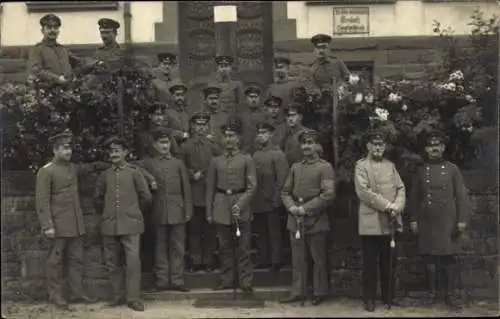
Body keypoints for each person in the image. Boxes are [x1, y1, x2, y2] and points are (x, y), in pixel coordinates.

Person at [35, 130, 109, 309]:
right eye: (64, 148)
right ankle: (55, 296)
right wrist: (48, 226)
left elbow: (91, 167)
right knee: (55, 262)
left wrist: (109, 164)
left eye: (70, 149)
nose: (68, 152)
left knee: (76, 260)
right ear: (55, 150)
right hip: (58, 225)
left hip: (75, 225)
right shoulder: (45, 172)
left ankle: (77, 294)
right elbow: (42, 202)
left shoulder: (73, 168)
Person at [408, 130, 469, 311]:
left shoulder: (452, 169)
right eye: (431, 146)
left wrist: (461, 220)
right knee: (429, 257)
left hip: (447, 220)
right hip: (427, 220)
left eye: (437, 145)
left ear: (442, 148)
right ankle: (432, 293)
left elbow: (461, 196)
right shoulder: (421, 171)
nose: (434, 148)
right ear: (426, 149)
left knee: (449, 257)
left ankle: (450, 295)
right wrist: (413, 220)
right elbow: (414, 198)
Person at [93, 136, 152, 312]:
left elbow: (146, 197)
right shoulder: (105, 175)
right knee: (112, 262)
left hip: (131, 224)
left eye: (117, 150)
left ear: (126, 152)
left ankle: (133, 298)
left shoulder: (135, 173)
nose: (114, 154)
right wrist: (107, 213)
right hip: (110, 224)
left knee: (133, 261)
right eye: (111, 151)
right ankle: (117, 295)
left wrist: (133, 211)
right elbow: (97, 199)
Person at [280, 129, 335, 306]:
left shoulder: (325, 167)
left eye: (310, 143)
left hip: (316, 218)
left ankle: (320, 291)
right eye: (304, 143)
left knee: (318, 258)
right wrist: (292, 207)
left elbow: (328, 194)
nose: (306, 146)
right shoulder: (296, 167)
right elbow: (285, 191)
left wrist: (305, 209)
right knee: (298, 258)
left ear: (317, 145)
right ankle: (298, 291)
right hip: (295, 218)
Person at [135, 127, 192, 292]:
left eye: (167, 142)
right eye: (161, 143)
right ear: (154, 145)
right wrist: (149, 177)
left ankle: (177, 280)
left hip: (178, 209)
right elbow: (132, 167)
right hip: (158, 209)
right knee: (160, 246)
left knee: (178, 246)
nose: (165, 146)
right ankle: (161, 281)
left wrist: (188, 210)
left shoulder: (178, 163)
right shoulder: (148, 162)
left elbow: (186, 188)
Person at [354, 130, 406, 312]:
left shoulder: (390, 166)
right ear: (368, 146)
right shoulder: (361, 166)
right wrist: (387, 206)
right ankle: (369, 298)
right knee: (369, 263)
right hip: (371, 223)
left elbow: (400, 188)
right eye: (374, 144)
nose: (377, 147)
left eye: (381, 144)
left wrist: (397, 207)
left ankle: (388, 296)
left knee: (389, 261)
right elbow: (364, 192)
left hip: (390, 221)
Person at [205, 117, 257, 292]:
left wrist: (241, 204)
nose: (228, 139)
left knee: (243, 247)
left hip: (240, 204)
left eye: (232, 135)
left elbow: (252, 186)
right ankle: (227, 280)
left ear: (238, 139)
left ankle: (246, 281)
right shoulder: (216, 161)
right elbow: (210, 188)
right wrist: (209, 212)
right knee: (225, 247)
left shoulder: (246, 159)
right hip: (220, 205)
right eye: (225, 136)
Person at [180, 111, 222, 273]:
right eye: (198, 124)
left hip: (211, 193)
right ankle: (196, 260)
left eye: (204, 125)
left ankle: (209, 259)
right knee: (194, 229)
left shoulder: (214, 146)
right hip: (195, 192)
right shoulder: (186, 146)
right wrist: (192, 174)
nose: (201, 128)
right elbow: (181, 167)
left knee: (210, 229)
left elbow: (223, 162)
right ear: (192, 126)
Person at [252, 121, 289, 272]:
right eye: (259, 133)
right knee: (261, 231)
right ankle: (263, 258)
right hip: (258, 200)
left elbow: (282, 179)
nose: (261, 136)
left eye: (264, 133)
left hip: (271, 199)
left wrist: (276, 199)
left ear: (271, 135)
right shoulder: (256, 154)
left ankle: (276, 260)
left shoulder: (278, 154)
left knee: (274, 231)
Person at [27, 14, 97, 87]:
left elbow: (79, 62)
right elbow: (36, 70)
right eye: (49, 28)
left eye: (55, 28)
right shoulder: (37, 49)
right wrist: (57, 78)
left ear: (58, 31)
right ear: (42, 31)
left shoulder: (63, 49)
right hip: (48, 91)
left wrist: (95, 63)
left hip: (68, 90)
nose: (53, 30)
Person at [300, 34, 353, 99]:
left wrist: (342, 87)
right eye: (318, 48)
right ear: (314, 49)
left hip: (339, 99)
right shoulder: (308, 67)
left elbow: (348, 79)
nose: (321, 50)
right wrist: (320, 94)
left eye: (324, 47)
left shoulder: (338, 63)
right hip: (319, 101)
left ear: (328, 49)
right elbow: (309, 86)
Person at [81, 18, 125, 88]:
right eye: (102, 33)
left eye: (107, 33)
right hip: (93, 87)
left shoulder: (120, 52)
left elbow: (107, 70)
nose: (104, 36)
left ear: (115, 34)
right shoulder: (98, 51)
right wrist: (96, 63)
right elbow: (87, 68)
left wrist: (94, 64)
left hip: (110, 89)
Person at [240, 85, 266, 155]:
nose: (254, 99)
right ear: (246, 99)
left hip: (261, 152)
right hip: (245, 152)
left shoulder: (265, 115)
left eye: (256, 97)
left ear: (259, 99)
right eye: (251, 97)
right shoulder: (240, 116)